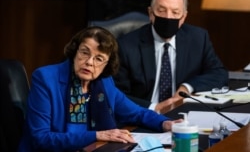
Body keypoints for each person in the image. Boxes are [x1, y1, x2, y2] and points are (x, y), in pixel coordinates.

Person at [18, 26, 182, 152]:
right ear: (74, 52)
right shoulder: (46, 79)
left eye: (99, 58)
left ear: (106, 66)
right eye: (84, 53)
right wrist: (97, 135)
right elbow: (41, 138)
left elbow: (136, 112)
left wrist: (165, 124)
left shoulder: (104, 83)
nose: (89, 62)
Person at [113, 0, 228, 114]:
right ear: (151, 13)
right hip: (144, 115)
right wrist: (153, 108)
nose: (168, 17)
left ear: (183, 17)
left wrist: (187, 87)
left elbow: (219, 73)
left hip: (184, 113)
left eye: (175, 12)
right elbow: (116, 93)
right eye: (161, 10)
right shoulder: (126, 45)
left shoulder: (198, 39)